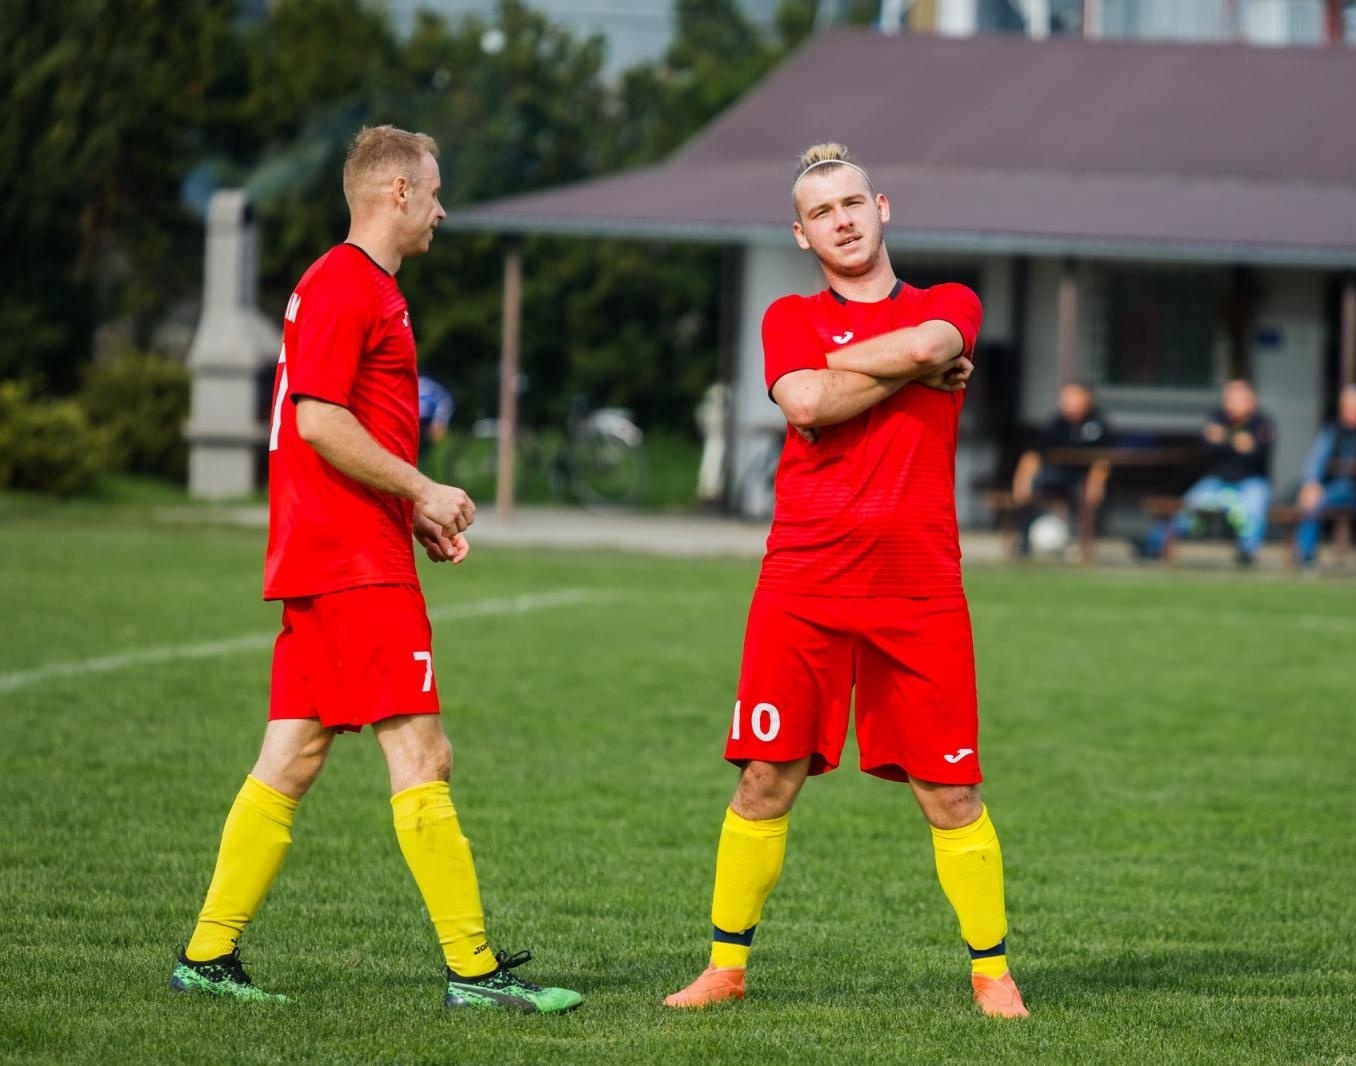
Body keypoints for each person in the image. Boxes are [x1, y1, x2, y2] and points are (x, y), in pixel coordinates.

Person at [169, 126, 581, 1014]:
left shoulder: (357, 287)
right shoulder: (347, 284)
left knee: (293, 751)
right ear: (395, 193)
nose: (442, 208)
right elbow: (318, 420)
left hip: (343, 548)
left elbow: (346, 427)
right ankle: (474, 974)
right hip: (351, 561)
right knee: (422, 751)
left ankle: (206, 956)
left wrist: (413, 512)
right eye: (433, 192)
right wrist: (424, 489)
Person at [662, 143, 1028, 1019]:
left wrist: (868, 363)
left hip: (921, 582)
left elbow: (938, 340)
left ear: (883, 207)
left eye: (855, 203)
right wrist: (909, 370)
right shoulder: (787, 314)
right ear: (801, 233)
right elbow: (805, 405)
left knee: (951, 789)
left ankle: (992, 973)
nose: (844, 220)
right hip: (804, 578)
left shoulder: (951, 303)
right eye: (823, 213)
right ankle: (725, 967)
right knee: (765, 777)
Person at [1140, 379, 1275, 565]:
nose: (1231, 404)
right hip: (1218, 482)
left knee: (1254, 508)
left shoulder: (1262, 424)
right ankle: (1154, 545)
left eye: (1237, 399)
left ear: (1251, 401)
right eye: (1228, 399)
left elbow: (1255, 453)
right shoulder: (1217, 418)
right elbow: (1207, 448)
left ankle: (1247, 551)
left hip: (1250, 482)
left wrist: (1224, 438)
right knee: (1186, 507)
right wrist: (1236, 442)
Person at [1296, 384, 1356, 568]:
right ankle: (1305, 556)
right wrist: (1311, 483)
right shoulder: (1332, 430)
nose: (1347, 413)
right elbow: (1316, 458)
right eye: (1344, 408)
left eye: (1353, 408)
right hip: (1336, 487)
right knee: (1311, 501)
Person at [1010, 382, 1112, 555]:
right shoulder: (1056, 423)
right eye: (1065, 398)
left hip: (1083, 475)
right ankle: (1024, 543)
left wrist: (1096, 484)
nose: (1065, 402)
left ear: (1087, 399)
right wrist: (1022, 482)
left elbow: (1103, 459)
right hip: (1058, 472)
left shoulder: (1098, 424)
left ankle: (1083, 546)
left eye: (1072, 397)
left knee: (1086, 496)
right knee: (1033, 488)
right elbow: (1034, 454)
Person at [417, 373, 454, 464]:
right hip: (409, 422)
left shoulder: (428, 385)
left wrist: (439, 421)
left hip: (425, 423)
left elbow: (444, 401)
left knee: (421, 457)